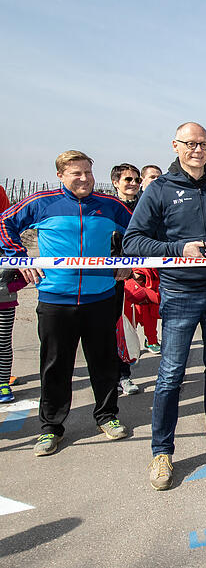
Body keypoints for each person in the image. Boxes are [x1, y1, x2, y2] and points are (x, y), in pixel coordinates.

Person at [123, 122, 206, 491]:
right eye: (191, 143)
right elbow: (133, 241)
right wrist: (177, 249)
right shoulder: (160, 189)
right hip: (179, 292)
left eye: (204, 144)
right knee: (171, 375)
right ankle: (162, 451)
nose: (198, 150)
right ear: (176, 146)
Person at [1, 150, 133, 456]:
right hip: (55, 298)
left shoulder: (109, 205)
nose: (85, 178)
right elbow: (4, 224)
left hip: (101, 297)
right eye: (77, 173)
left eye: (88, 172)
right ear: (60, 175)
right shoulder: (42, 202)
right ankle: (51, 427)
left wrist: (127, 260)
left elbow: (140, 231)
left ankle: (107, 416)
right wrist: (18, 258)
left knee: (104, 362)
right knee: (55, 365)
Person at [111, 163, 143, 396]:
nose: (133, 184)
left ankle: (124, 375)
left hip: (137, 275)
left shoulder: (144, 206)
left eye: (136, 180)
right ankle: (110, 377)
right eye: (128, 179)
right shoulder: (108, 207)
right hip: (111, 277)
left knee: (127, 329)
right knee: (109, 328)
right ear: (116, 183)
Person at [0, 268, 27, 403]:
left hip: (4, 305)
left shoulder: (11, 254)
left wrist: (8, 288)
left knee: (3, 345)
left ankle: (3, 383)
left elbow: (26, 275)